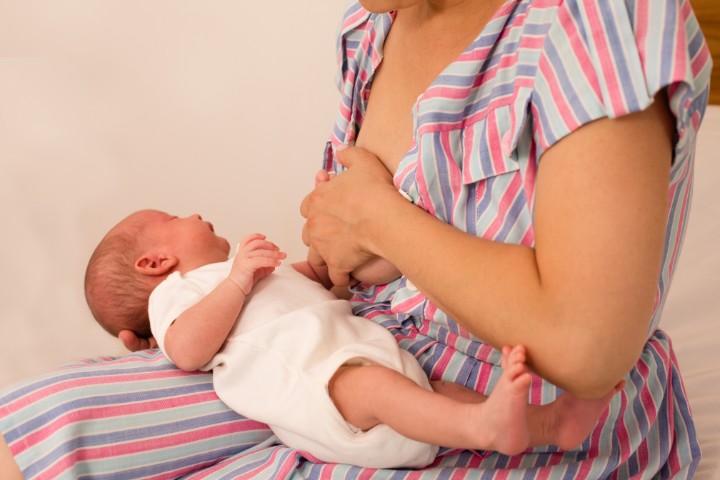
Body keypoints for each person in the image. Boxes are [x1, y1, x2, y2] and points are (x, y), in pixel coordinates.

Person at [0, 0, 711, 478]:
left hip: (509, 389)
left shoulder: (591, 24)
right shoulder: (374, 26)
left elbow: (584, 346)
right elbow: (349, 236)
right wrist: (352, 248)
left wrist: (380, 219)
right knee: (46, 419)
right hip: (341, 331)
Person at [83, 208, 620, 468]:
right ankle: (481, 426)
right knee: (380, 390)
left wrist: (327, 258)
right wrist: (238, 278)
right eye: (178, 216)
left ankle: (550, 424)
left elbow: (317, 278)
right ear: (156, 262)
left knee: (422, 388)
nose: (196, 213)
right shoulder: (178, 295)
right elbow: (187, 348)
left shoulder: (242, 272)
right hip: (316, 391)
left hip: (353, 359)